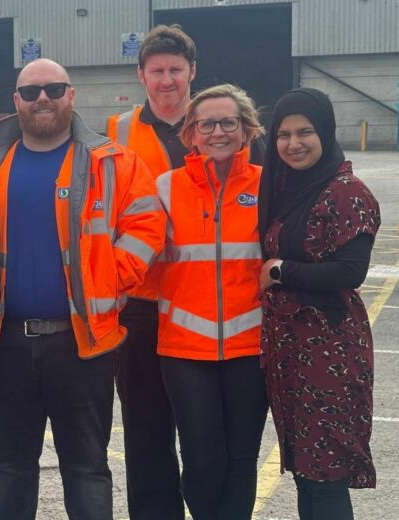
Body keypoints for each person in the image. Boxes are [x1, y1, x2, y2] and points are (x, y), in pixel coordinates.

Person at [0, 58, 165, 519]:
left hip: (83, 345)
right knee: (11, 468)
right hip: (6, 344)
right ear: (15, 101)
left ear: (72, 96)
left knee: (86, 468)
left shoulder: (113, 161)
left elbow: (147, 225)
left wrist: (108, 278)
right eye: (32, 91)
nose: (44, 98)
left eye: (55, 90)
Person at [106, 26, 265, 520]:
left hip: (214, 312)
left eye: (176, 69)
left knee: (210, 441)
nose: (167, 79)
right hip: (141, 307)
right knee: (146, 431)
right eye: (157, 71)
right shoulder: (118, 132)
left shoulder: (234, 136)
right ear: (142, 76)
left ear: (192, 72)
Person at [258, 87, 379, 520]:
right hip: (290, 351)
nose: (294, 143)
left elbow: (349, 272)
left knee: (325, 474)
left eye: (305, 132)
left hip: (328, 353)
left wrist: (279, 270)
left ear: (325, 132)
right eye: (284, 134)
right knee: (307, 473)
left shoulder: (346, 191)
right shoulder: (290, 188)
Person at [155, 84, 267, 520]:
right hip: (184, 350)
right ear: (192, 132)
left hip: (250, 348)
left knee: (241, 461)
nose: (217, 132)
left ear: (245, 130)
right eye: (207, 123)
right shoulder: (166, 187)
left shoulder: (268, 185)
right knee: (201, 461)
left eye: (228, 122)